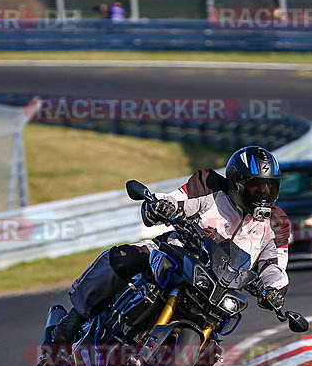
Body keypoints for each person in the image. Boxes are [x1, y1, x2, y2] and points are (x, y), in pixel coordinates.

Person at [51, 146, 291, 346]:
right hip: (177, 257)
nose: (263, 195)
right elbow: (177, 198)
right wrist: (162, 206)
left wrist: (272, 290)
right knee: (125, 256)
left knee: (211, 350)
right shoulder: (209, 186)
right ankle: (74, 317)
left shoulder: (277, 223)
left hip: (218, 290)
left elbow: (275, 266)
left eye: (270, 188)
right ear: (237, 183)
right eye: (257, 187)